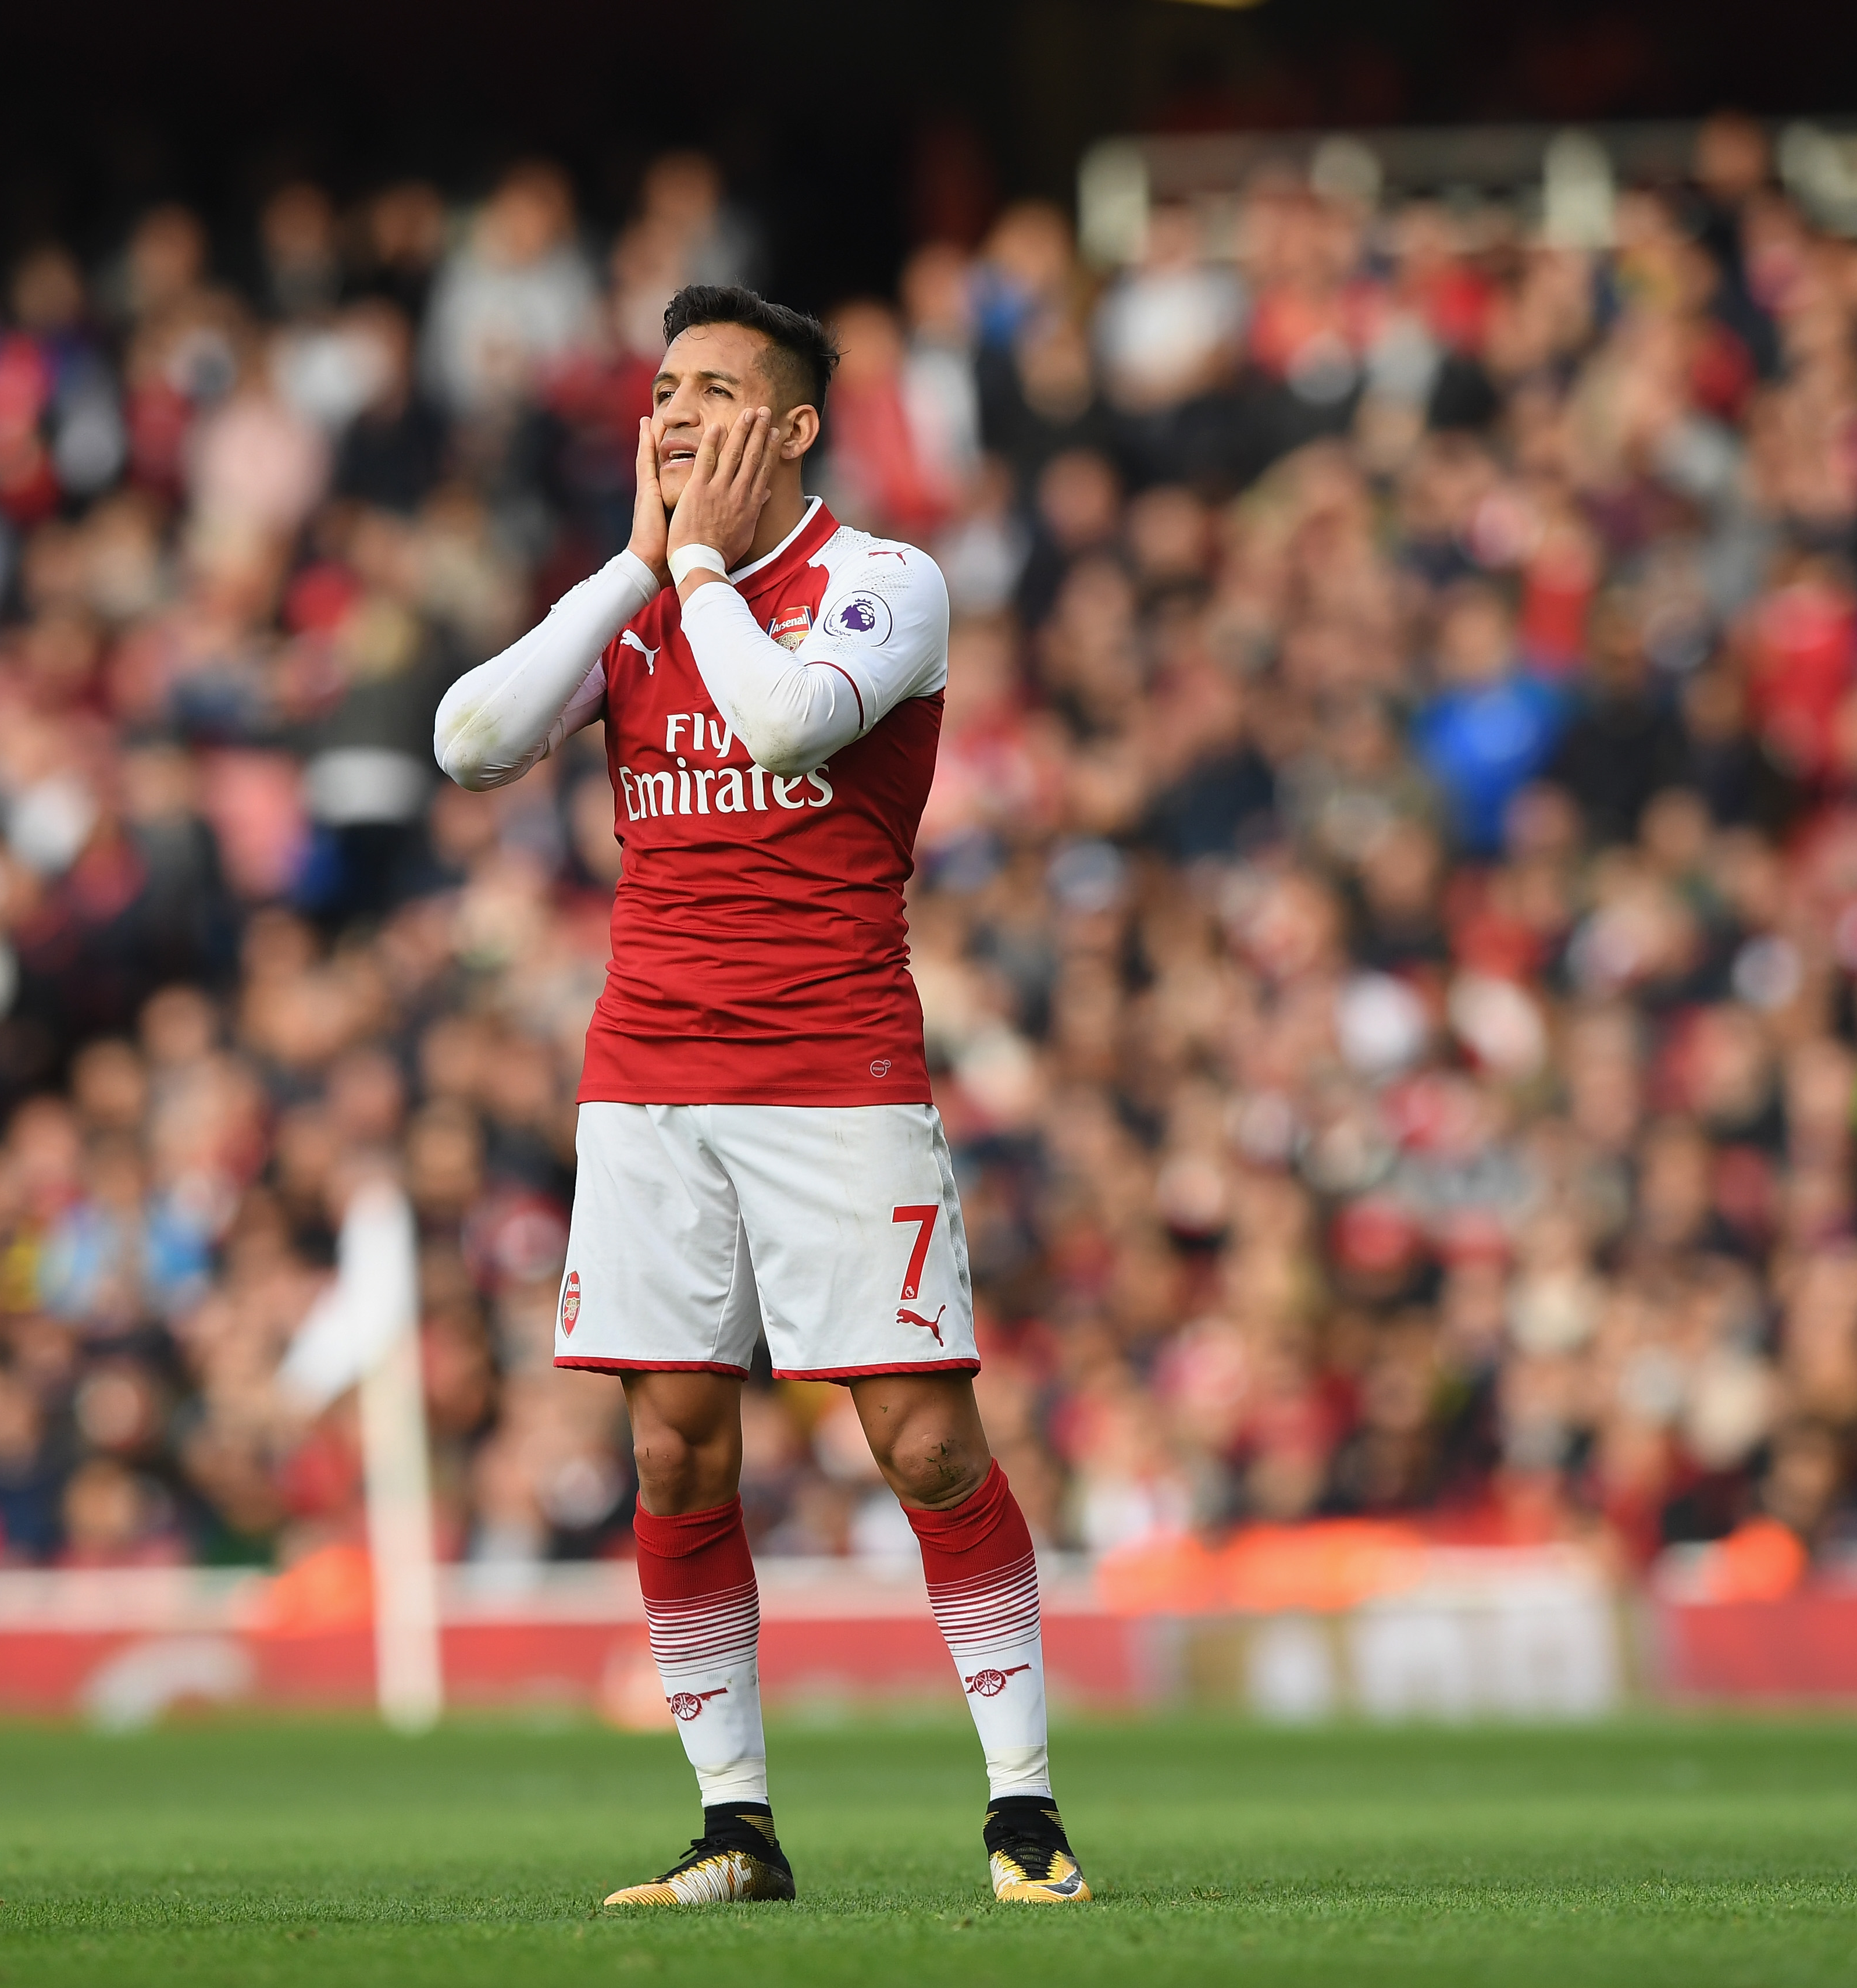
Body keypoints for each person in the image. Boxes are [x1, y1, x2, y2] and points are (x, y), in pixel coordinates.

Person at [435, 286, 1086, 1908]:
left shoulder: (884, 582)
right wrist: (637, 570)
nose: (674, 415)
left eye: (716, 392)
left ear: (789, 430)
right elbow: (468, 741)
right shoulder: (639, 601)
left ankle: (1022, 1808)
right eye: (663, 388)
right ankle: (736, 1823)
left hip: (832, 1069)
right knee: (670, 1449)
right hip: (649, 1076)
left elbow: (788, 720)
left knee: (924, 1441)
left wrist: (704, 572)